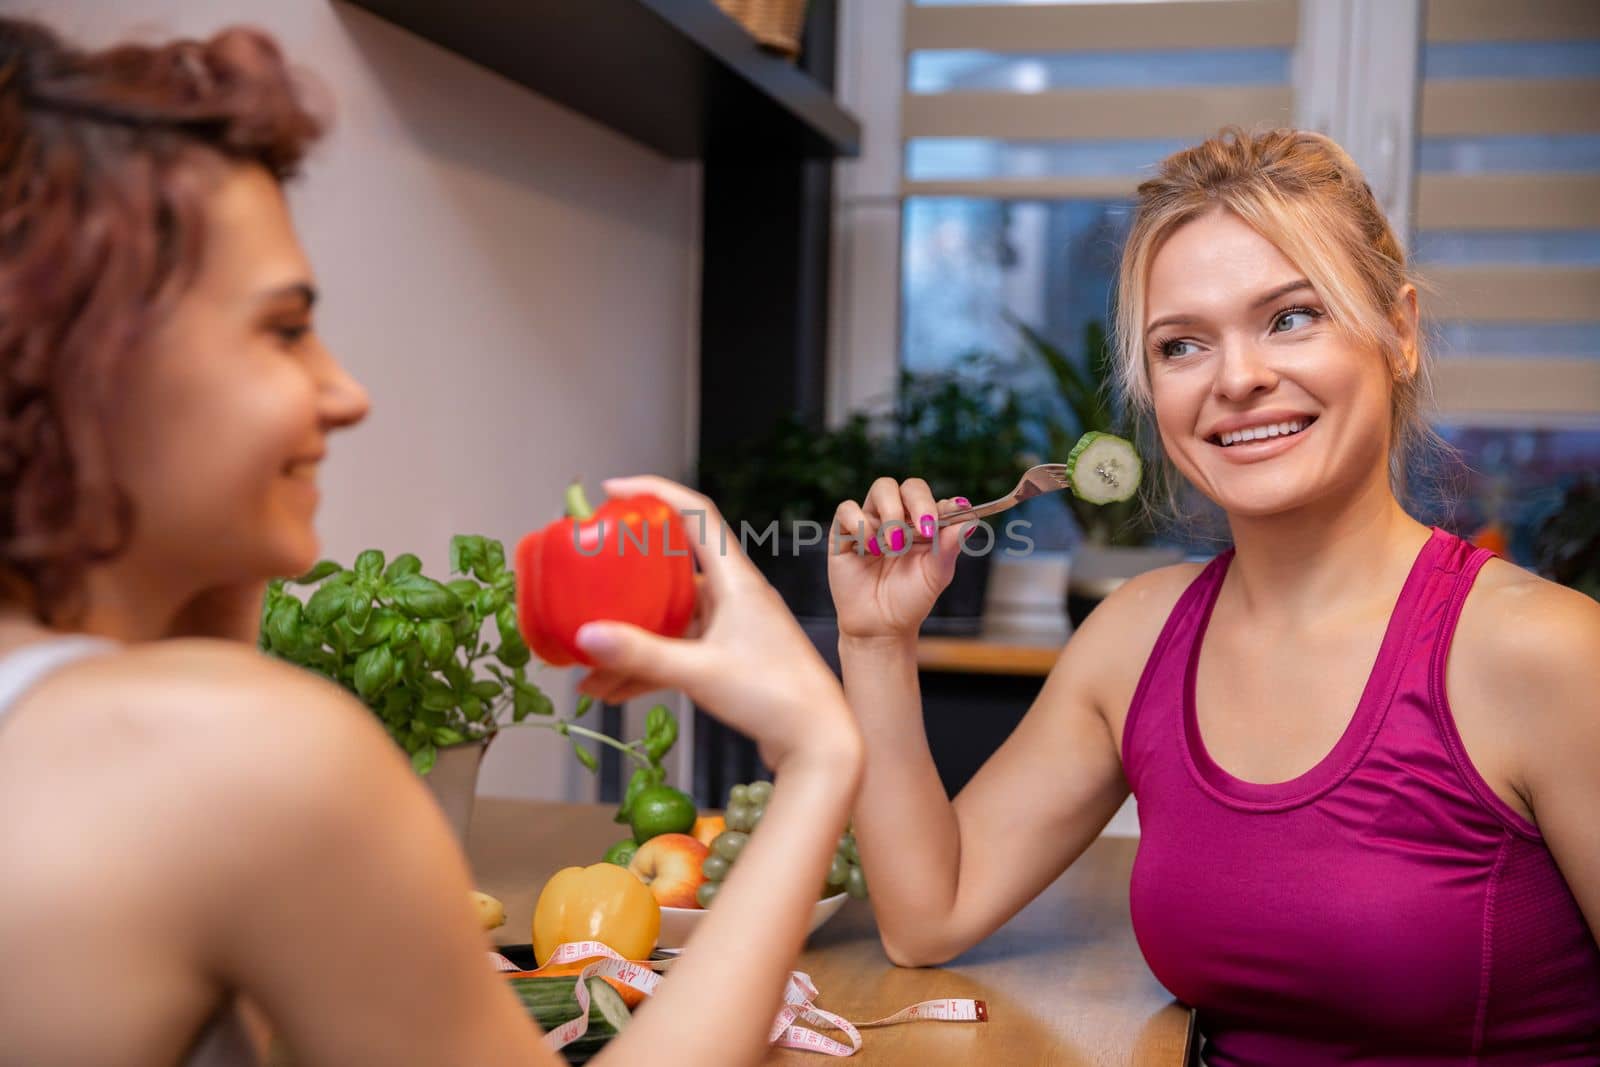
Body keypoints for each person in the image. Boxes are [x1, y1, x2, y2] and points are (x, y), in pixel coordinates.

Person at [0, 18, 861, 1067]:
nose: (343, 392)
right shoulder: (250, 757)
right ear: (86, 364)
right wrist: (817, 753)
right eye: (282, 329)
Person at [830, 128, 1600, 1064]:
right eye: (1183, 344)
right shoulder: (1136, 639)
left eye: (1291, 317)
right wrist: (875, 641)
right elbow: (927, 914)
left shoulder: (1548, 652)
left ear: (1399, 331)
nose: (1237, 379)